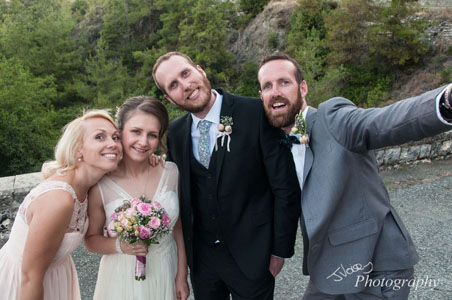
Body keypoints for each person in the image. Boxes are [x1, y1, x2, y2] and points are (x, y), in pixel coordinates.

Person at [257, 52, 452, 299]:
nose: (276, 91)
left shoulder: (333, 118)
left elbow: (384, 122)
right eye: (267, 86)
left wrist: (446, 101)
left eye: (284, 82)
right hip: (331, 269)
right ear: (261, 96)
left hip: (378, 267)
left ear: (303, 87)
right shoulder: (273, 144)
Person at [152, 52, 301, 300]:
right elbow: (175, 187)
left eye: (185, 73)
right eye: (174, 85)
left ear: (200, 70)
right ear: (170, 97)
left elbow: (284, 187)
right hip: (203, 262)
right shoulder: (176, 133)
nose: (185, 86)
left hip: (253, 256)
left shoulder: (254, 112)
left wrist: (279, 251)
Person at [0, 110, 122, 300]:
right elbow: (30, 277)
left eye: (116, 137)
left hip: (55, 276)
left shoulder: (92, 184)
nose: (112, 144)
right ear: (78, 149)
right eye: (99, 137)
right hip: (24, 286)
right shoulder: (58, 199)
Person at [84, 96, 189, 300]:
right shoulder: (100, 184)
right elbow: (90, 240)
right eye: (136, 132)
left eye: (152, 135)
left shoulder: (171, 172)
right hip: (122, 278)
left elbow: (178, 229)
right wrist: (120, 246)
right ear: (119, 132)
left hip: (165, 270)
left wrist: (181, 277)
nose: (143, 142)